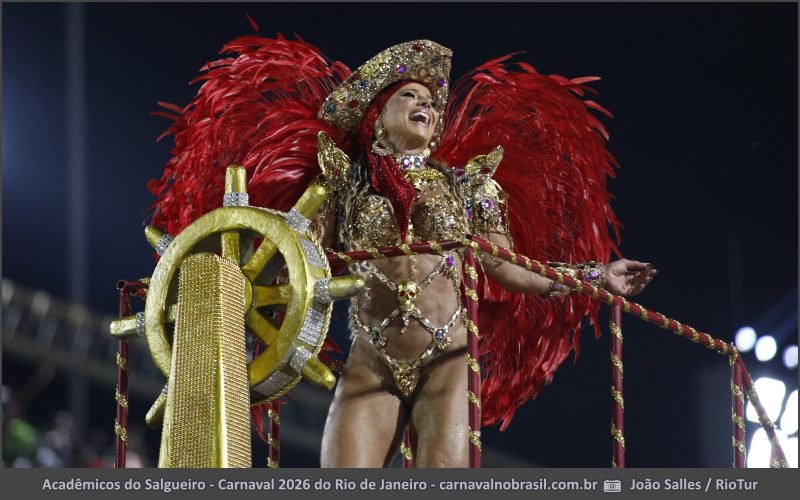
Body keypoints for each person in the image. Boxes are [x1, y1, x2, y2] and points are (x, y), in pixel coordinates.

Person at [150, 35, 656, 467]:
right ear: (377, 115)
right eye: (411, 95)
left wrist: (595, 278)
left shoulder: (467, 187)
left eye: (433, 103)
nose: (428, 106)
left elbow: (511, 271)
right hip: (370, 362)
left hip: (448, 359)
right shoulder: (344, 184)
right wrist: (226, 287)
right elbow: (298, 259)